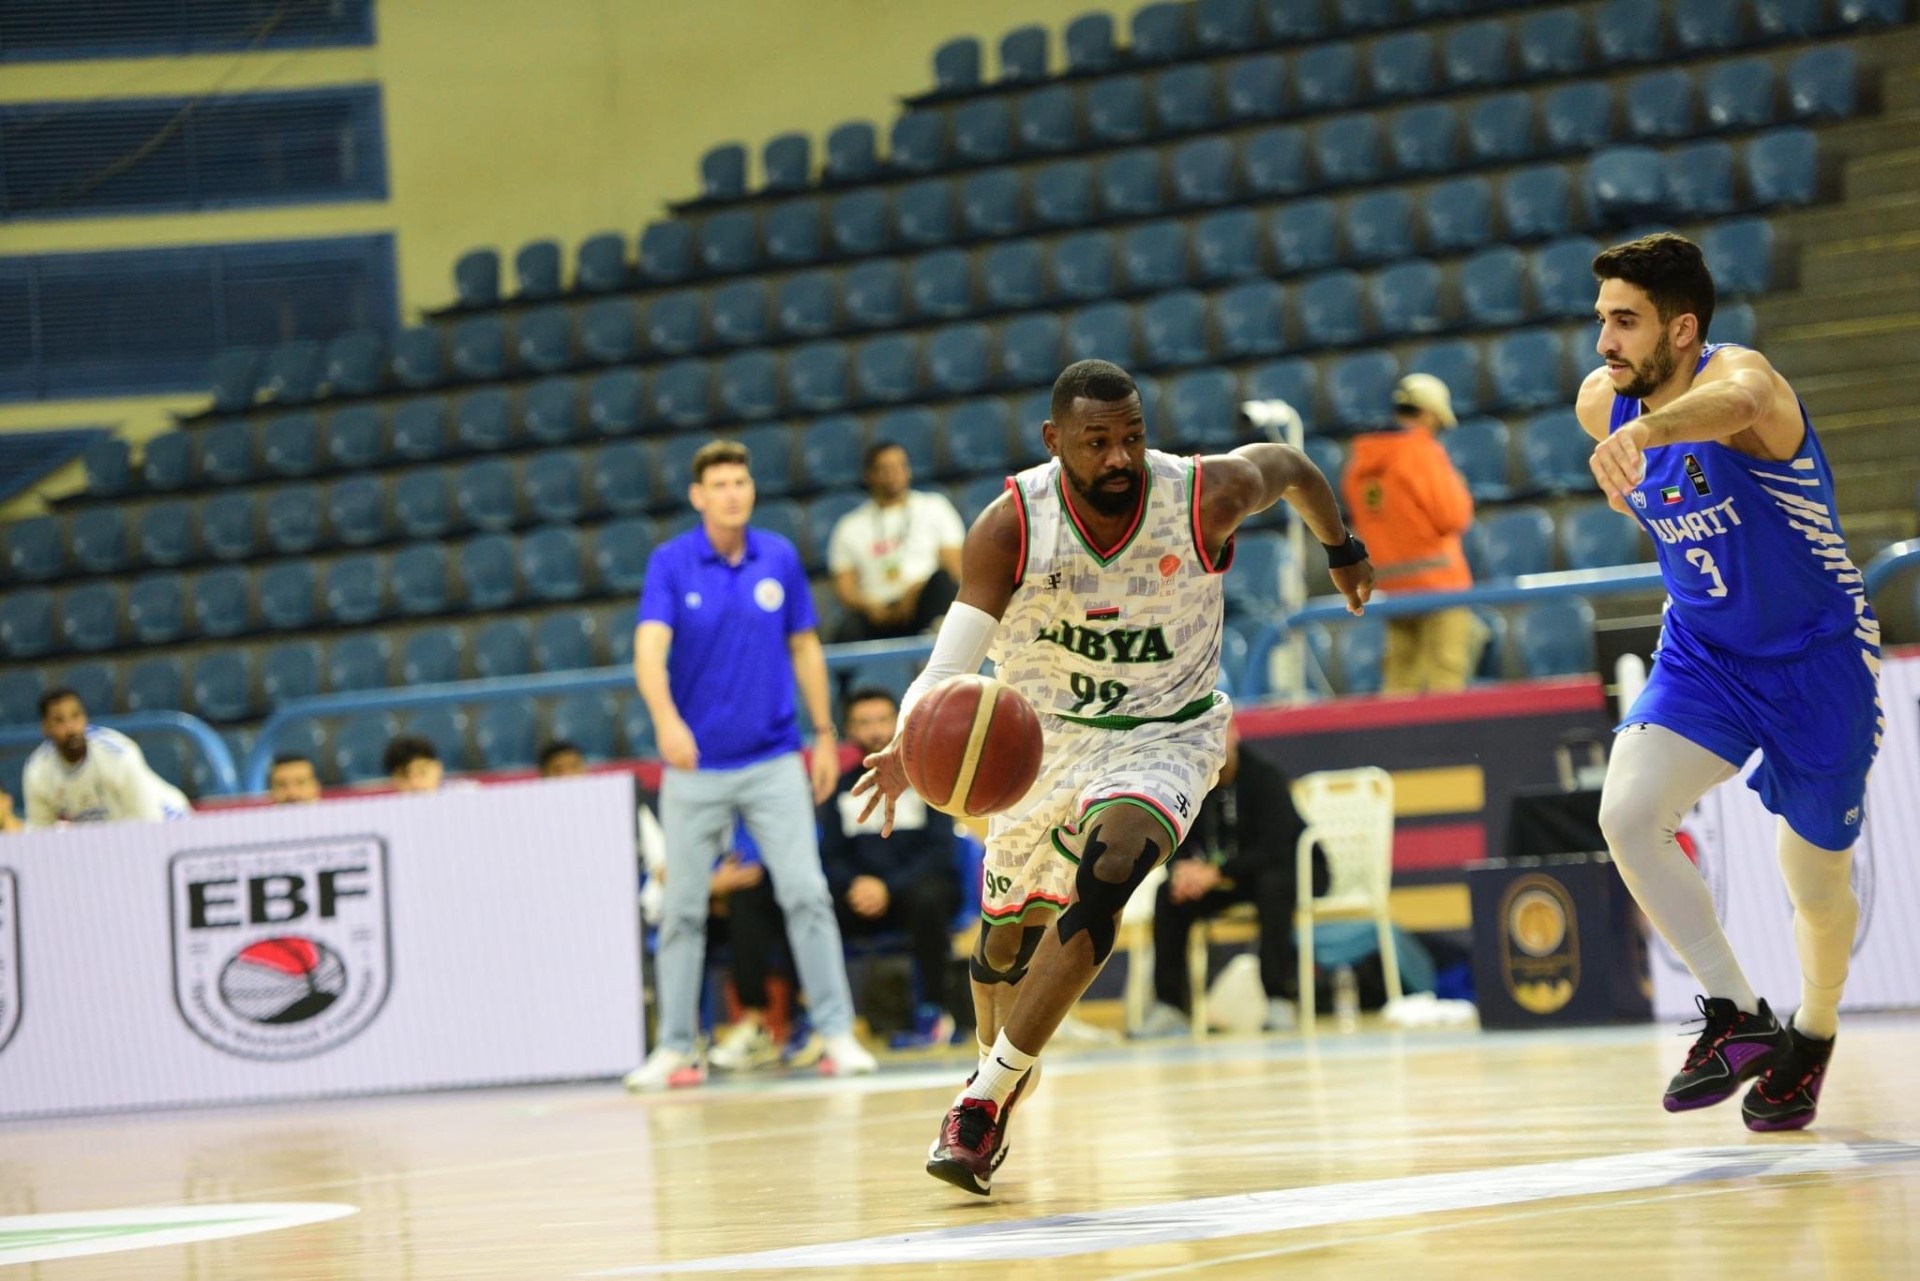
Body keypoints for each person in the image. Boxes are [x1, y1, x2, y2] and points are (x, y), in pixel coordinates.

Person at [856, 359, 1374, 1193]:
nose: (1120, 457)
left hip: (1164, 735)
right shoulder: (1009, 524)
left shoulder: (1202, 495)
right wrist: (912, 735)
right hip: (1040, 742)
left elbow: (1293, 469)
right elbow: (952, 657)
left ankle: (980, 1104)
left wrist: (1341, 546)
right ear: (1054, 442)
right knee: (999, 951)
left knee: (1111, 869)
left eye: (1132, 436)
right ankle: (1003, 1063)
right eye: (1097, 442)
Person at [1577, 232, 1881, 1131]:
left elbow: (1734, 398)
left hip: (1816, 659)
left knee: (1814, 880)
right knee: (1626, 813)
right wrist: (1624, 442)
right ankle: (1735, 1014)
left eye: (1624, 322)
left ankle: (1812, 1032)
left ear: (1682, 330)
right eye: (1600, 321)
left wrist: (1646, 434)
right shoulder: (1606, 398)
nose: (1604, 343)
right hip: (1705, 654)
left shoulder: (1749, 387)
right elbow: (1605, 417)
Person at [625, 438, 875, 1090]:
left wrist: (824, 734)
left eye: (742, 480)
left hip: (773, 758)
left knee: (807, 892)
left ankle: (836, 1032)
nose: (733, 492)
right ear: (698, 496)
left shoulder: (780, 557)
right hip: (696, 765)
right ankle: (677, 1047)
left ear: (751, 489)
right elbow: (648, 653)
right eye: (721, 483)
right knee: (680, 907)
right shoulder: (670, 562)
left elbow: (806, 647)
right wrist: (666, 722)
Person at [820, 687, 969, 1048]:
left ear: (900, 723)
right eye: (864, 722)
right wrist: (858, 885)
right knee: (810, 908)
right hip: (860, 899)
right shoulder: (841, 789)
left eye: (883, 720)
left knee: (929, 896)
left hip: (917, 896)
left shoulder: (928, 778)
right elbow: (830, 856)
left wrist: (889, 887)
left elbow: (940, 851)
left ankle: (934, 1013)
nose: (875, 731)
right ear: (850, 730)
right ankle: (819, 1024)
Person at [1137, 724, 1303, 1036]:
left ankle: (1280, 998)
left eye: (1220, 735)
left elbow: (1276, 848)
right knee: (1168, 895)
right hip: (1222, 880)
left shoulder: (1265, 776)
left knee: (1275, 885)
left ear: (1236, 735)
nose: (1213, 745)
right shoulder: (1194, 784)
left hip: (1266, 872)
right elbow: (1174, 836)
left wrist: (1216, 873)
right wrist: (1183, 872)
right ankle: (1170, 1007)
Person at [1341, 373, 1480, 693]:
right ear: (1429, 414)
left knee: (1400, 678)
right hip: (1441, 583)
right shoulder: (1422, 453)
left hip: (1392, 585)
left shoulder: (1359, 462)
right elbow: (1454, 517)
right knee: (1445, 674)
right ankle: (1444, 745)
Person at [827, 440, 965, 643]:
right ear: (869, 476)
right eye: (884, 469)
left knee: (942, 583)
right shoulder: (849, 526)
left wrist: (915, 591)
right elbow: (845, 588)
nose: (893, 474)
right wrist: (869, 606)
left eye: (899, 466)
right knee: (847, 630)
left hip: (922, 603)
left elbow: (954, 568)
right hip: (876, 612)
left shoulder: (935, 507)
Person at [24, 689, 192, 826]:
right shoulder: (37, 771)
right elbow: (40, 833)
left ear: (85, 718)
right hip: (113, 833)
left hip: (167, 818)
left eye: (76, 716)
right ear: (45, 727)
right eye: (59, 720)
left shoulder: (118, 755)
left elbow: (148, 817)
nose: (71, 729)